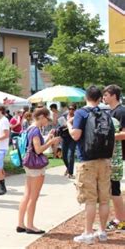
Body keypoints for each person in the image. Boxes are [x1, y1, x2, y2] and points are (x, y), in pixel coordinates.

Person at [67, 86, 114, 244]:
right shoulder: (105, 113)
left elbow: (76, 135)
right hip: (105, 161)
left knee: (91, 199)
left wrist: (69, 124)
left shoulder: (81, 113)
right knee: (105, 199)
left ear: (86, 97)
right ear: (100, 98)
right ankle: (102, 231)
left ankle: (88, 233)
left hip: (87, 161)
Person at [17, 108, 61, 234]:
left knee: (27, 194)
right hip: (36, 167)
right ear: (41, 117)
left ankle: (21, 224)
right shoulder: (35, 130)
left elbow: (34, 148)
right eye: (47, 119)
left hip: (29, 164)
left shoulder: (30, 128)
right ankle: (30, 225)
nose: (48, 121)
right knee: (33, 197)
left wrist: (48, 139)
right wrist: (51, 142)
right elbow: (38, 150)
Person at [103, 84, 125, 231]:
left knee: (114, 189)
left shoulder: (121, 111)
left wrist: (105, 136)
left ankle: (121, 220)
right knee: (112, 189)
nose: (104, 97)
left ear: (113, 95)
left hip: (117, 157)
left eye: (106, 94)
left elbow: (124, 134)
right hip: (110, 156)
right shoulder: (110, 112)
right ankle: (120, 218)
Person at [59, 104, 77, 178]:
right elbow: (59, 126)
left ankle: (70, 173)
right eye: (69, 109)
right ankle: (68, 168)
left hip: (72, 137)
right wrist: (62, 126)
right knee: (64, 155)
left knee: (70, 155)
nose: (71, 110)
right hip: (64, 137)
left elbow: (78, 127)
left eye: (72, 109)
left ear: (75, 110)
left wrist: (70, 125)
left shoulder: (77, 117)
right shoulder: (64, 115)